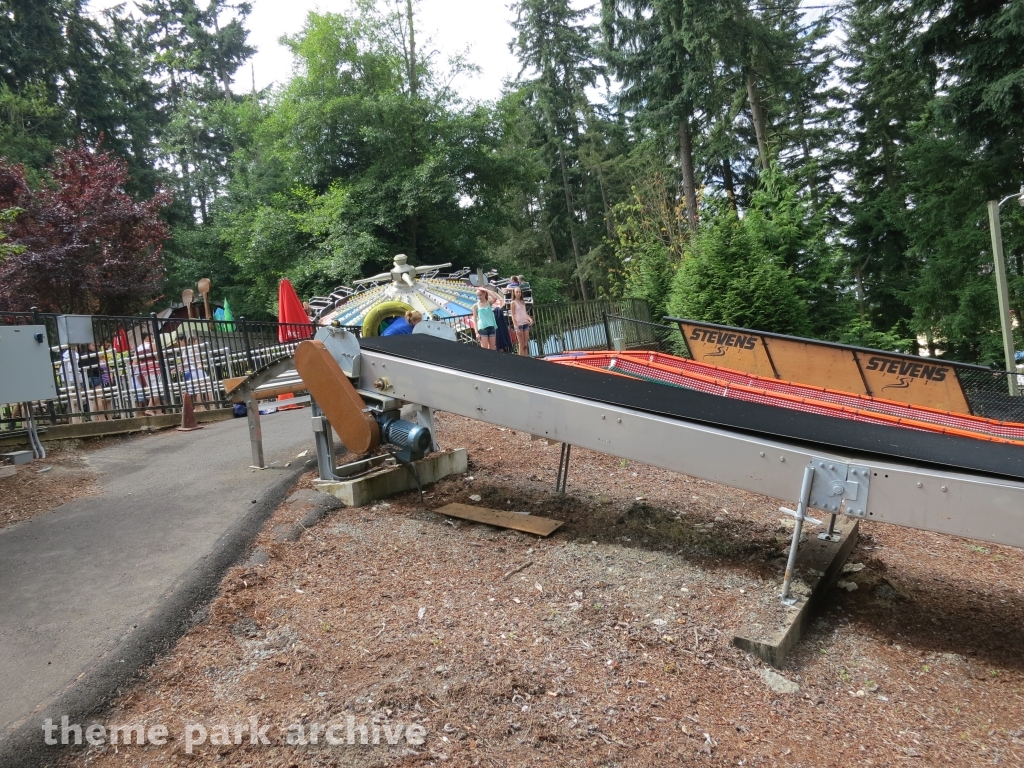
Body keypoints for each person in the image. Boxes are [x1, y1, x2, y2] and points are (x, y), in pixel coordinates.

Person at [177, 336, 212, 409]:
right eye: (197, 340)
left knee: (197, 389)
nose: (199, 342)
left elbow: (184, 361)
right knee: (206, 388)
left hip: (191, 370)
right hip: (197, 370)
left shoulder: (185, 350)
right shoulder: (194, 348)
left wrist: (180, 368)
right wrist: (198, 364)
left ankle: (200, 407)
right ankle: (211, 405)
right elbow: (193, 357)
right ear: (193, 341)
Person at [78, 343, 109, 421]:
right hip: (95, 376)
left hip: (87, 378)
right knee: (98, 398)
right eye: (93, 345)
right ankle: (101, 417)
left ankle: (95, 418)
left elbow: (80, 366)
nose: (96, 347)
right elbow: (97, 367)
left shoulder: (81, 355)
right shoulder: (94, 355)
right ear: (88, 345)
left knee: (94, 399)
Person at [509, 286, 534, 356]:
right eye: (517, 292)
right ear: (514, 293)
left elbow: (524, 313)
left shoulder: (523, 302)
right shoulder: (513, 303)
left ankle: (526, 358)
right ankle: (521, 359)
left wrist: (530, 319)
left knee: (525, 344)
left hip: (525, 323)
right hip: (519, 325)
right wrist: (516, 327)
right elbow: (513, 315)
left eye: (519, 292)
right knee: (521, 344)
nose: (518, 293)